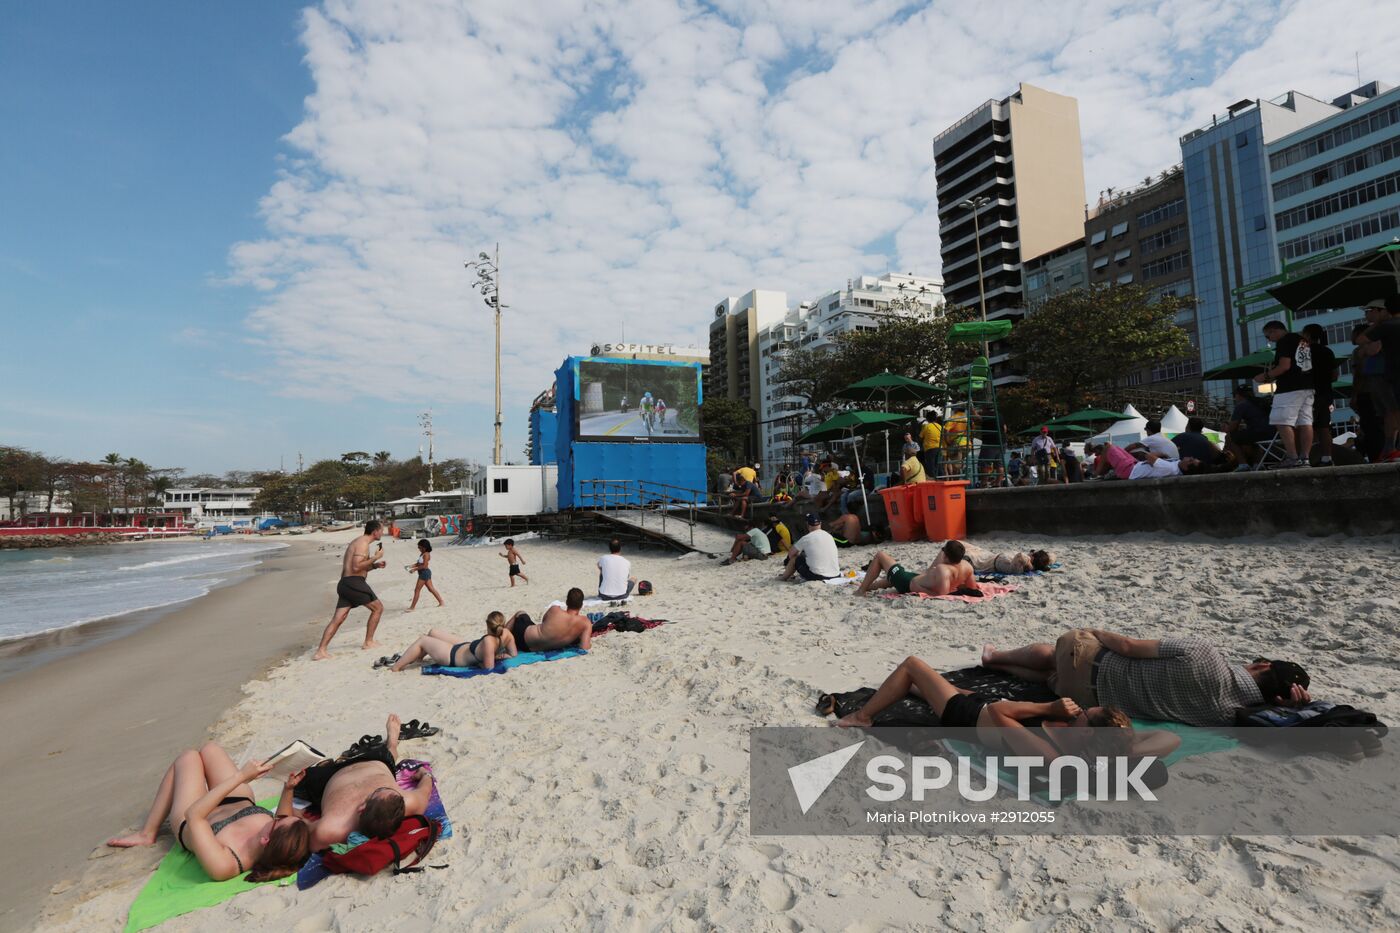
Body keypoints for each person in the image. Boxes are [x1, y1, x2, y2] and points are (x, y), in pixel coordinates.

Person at [832, 656, 1175, 761]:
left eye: (1086, 714)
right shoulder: (1086, 744)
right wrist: (1126, 749)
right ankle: (925, 692)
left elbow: (1000, 713)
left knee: (912, 668)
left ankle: (862, 716)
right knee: (924, 687)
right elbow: (1169, 739)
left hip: (963, 716)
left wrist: (1051, 707)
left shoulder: (1050, 754)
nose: (1080, 711)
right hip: (978, 706)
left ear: (1087, 730)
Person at [982, 631, 1312, 729]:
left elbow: (1127, 646)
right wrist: (1289, 710)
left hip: (1095, 666)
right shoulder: (1229, 716)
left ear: (1262, 666)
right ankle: (1006, 668)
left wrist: (1095, 631)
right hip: (1087, 702)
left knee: (1064, 651)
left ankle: (995, 658)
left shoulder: (1203, 652)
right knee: (1052, 678)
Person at [107, 742, 310, 882]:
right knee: (210, 749)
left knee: (188, 758)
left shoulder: (226, 864)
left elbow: (195, 815)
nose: (280, 815)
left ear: (266, 839)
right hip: (238, 801)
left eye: (279, 820)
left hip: (196, 814)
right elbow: (284, 820)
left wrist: (241, 777)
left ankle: (147, 833)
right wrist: (289, 788)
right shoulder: (277, 839)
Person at [296, 713, 435, 850]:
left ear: (361, 808)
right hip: (376, 762)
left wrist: (291, 797)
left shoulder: (331, 829)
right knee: (389, 755)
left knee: (299, 778)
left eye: (378, 790)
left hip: (328, 779)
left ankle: (326, 765)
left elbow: (300, 825)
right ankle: (393, 741)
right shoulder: (403, 802)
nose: (392, 788)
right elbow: (425, 790)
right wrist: (424, 773)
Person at [314, 520, 389, 660]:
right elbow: (356, 567)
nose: (383, 533)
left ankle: (321, 651)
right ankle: (368, 642)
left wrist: (376, 565)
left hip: (346, 583)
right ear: (375, 531)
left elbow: (359, 566)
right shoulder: (363, 544)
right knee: (378, 608)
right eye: (381, 530)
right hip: (354, 583)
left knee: (338, 618)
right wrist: (375, 557)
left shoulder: (359, 542)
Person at [1254, 320, 1314, 468]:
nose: (1270, 340)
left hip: (1290, 387)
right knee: (1305, 421)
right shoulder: (1303, 341)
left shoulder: (1284, 341)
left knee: (1281, 420)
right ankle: (1305, 458)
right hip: (1307, 384)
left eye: (1268, 336)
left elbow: (1284, 366)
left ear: (1274, 331)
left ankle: (1293, 457)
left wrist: (1265, 377)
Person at [388, 611, 517, 671]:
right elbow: (514, 654)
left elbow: (488, 668)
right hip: (466, 646)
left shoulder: (489, 641)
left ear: (488, 626)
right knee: (433, 632)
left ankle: (396, 667)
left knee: (423, 640)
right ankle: (418, 658)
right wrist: (501, 655)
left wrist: (491, 659)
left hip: (453, 656)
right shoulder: (507, 634)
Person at [855, 540, 975, 597]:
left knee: (880, 555)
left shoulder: (942, 569)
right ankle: (868, 586)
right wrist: (957, 585)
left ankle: (861, 591)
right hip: (916, 577)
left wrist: (919, 588)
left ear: (947, 556)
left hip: (907, 583)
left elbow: (942, 594)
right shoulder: (967, 566)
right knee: (890, 580)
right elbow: (972, 588)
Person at [1360, 297, 1400, 460]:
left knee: (1394, 411)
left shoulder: (1385, 327)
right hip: (1387, 375)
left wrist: (1377, 324)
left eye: (1370, 311)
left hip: (1389, 375)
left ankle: (1392, 448)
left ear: (1383, 311)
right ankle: (1391, 448)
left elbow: (1365, 344)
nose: (1367, 315)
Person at [1299, 323, 1338, 466]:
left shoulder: (1303, 351)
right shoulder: (1327, 351)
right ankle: (1327, 458)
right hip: (1325, 393)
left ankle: (1306, 458)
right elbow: (1335, 376)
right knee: (1323, 427)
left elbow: (1300, 373)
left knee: (1306, 425)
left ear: (1307, 335)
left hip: (1308, 393)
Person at [507, 588, 592, 651]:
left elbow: (544, 621)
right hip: (530, 649)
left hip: (523, 637)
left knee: (520, 613)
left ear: (566, 602)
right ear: (581, 605)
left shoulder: (555, 609)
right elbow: (584, 647)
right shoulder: (585, 623)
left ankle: (501, 635)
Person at [1352, 324, 1386, 462]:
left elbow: (1359, 375)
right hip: (1383, 392)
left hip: (1366, 393)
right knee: (1382, 425)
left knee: (1370, 429)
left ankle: (1375, 458)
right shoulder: (1382, 347)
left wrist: (1354, 395)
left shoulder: (1360, 351)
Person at [1224, 384, 1274, 470]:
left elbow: (1232, 428)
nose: (1235, 398)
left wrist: (1226, 428)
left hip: (1259, 434)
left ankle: (1243, 465)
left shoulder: (1241, 405)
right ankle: (1258, 464)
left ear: (1239, 395)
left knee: (1229, 436)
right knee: (1251, 437)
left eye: (1235, 395)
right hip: (1274, 434)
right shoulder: (1261, 402)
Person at [779, 513, 841, 582]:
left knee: (795, 558)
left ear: (807, 525)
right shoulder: (829, 536)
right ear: (820, 523)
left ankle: (783, 577)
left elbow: (791, 554)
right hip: (836, 574)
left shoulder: (806, 538)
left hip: (819, 576)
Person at [958, 540, 1054, 575]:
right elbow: (1053, 556)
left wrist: (1030, 566)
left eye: (1032, 552)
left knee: (957, 549)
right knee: (958, 543)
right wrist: (1046, 562)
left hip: (981, 562)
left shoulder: (1017, 568)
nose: (1030, 552)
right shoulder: (1022, 563)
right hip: (987, 555)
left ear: (1033, 558)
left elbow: (1021, 556)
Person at [406, 539, 445, 611]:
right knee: (431, 589)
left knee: (417, 590)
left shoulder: (426, 554)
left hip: (424, 573)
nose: (419, 549)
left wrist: (414, 569)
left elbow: (425, 566)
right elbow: (418, 563)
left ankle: (412, 607)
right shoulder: (422, 554)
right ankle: (441, 602)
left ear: (424, 547)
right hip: (424, 573)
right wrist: (410, 566)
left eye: (420, 547)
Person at [919, 411, 943, 479]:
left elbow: (920, 437)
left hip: (930, 448)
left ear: (927, 418)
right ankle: (941, 480)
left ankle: (934, 482)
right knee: (939, 466)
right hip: (939, 448)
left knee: (931, 467)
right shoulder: (940, 427)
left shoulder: (926, 426)